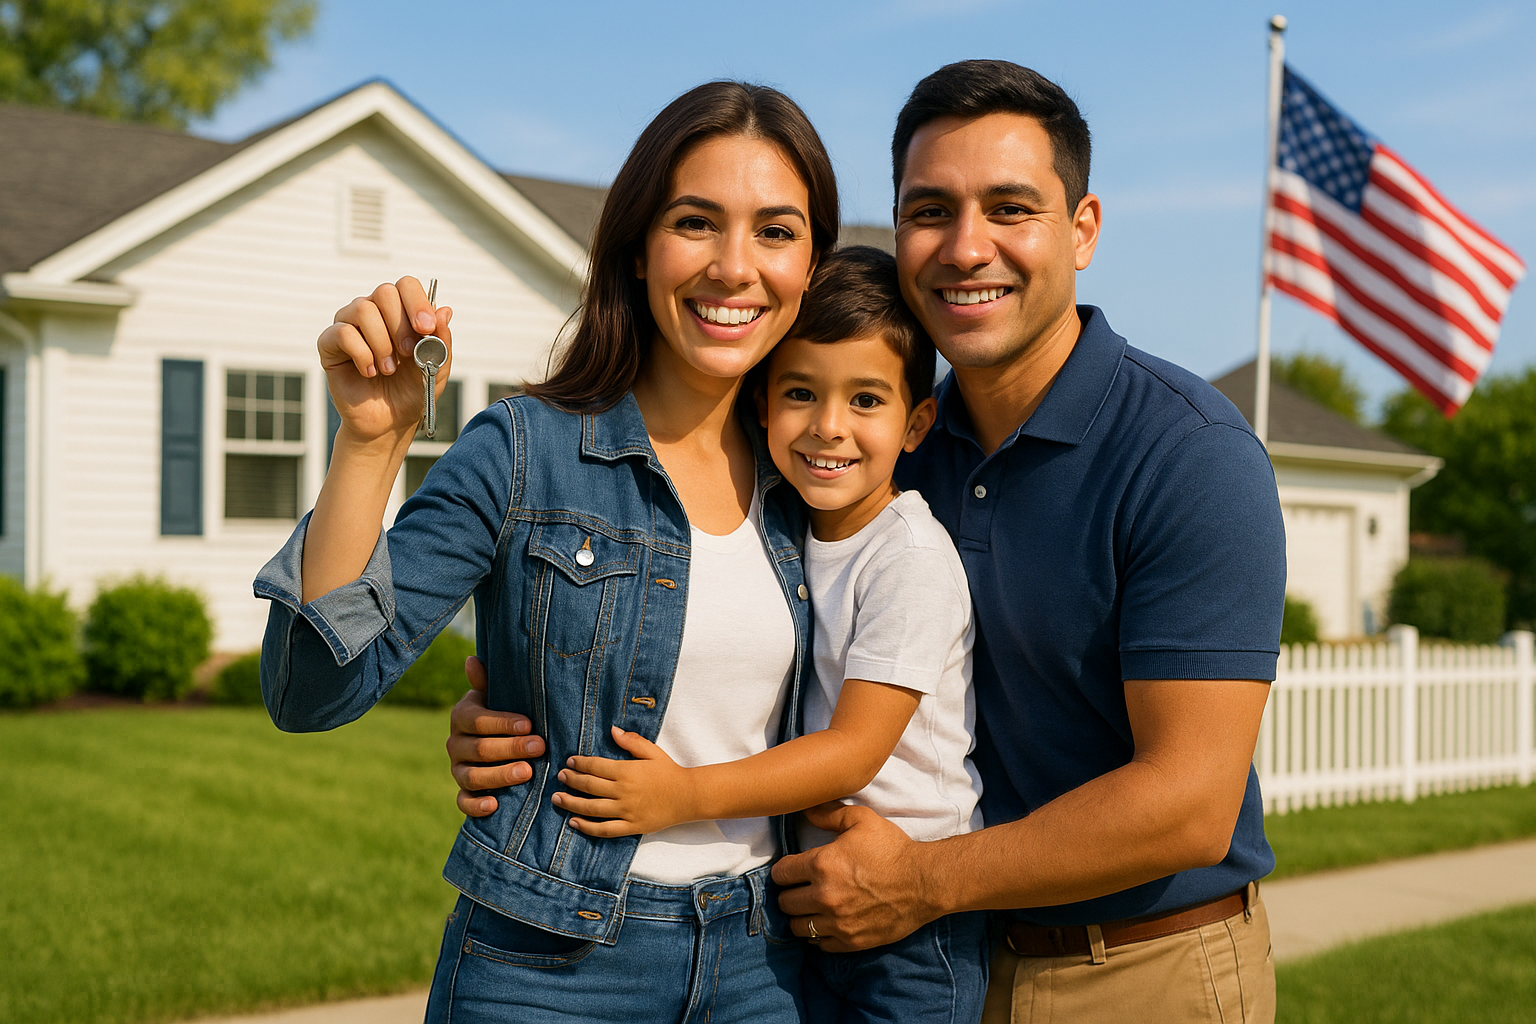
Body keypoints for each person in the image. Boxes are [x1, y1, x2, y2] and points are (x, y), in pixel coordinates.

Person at [449, 60, 1287, 1024]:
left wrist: (928, 881)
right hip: (895, 943)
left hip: (1133, 967)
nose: (967, 247)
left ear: (1083, 228)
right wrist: (530, 723)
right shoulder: (882, 453)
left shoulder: (1190, 454)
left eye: (1010, 208)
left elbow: (1188, 803)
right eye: (931, 210)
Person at [253, 80, 842, 1023]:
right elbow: (312, 693)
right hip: (547, 970)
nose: (736, 267)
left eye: (776, 231)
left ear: (811, 263)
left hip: (761, 967)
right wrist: (370, 442)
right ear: (639, 248)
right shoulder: (525, 451)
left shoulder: (822, 479)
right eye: (696, 222)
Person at [551, 245, 989, 1024]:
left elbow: (853, 751)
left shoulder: (909, 555)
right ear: (762, 404)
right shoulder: (784, 528)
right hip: (810, 907)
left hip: (913, 929)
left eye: (865, 400)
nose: (828, 428)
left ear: (917, 421)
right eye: (800, 393)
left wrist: (682, 796)